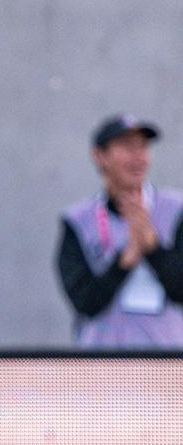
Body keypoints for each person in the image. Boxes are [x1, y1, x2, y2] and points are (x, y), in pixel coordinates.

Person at [57, 114, 183, 348]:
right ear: (100, 156)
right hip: (103, 364)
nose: (137, 156)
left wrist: (153, 248)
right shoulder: (79, 220)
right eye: (126, 147)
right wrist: (125, 260)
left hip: (169, 363)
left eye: (142, 147)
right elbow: (84, 301)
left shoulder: (176, 211)